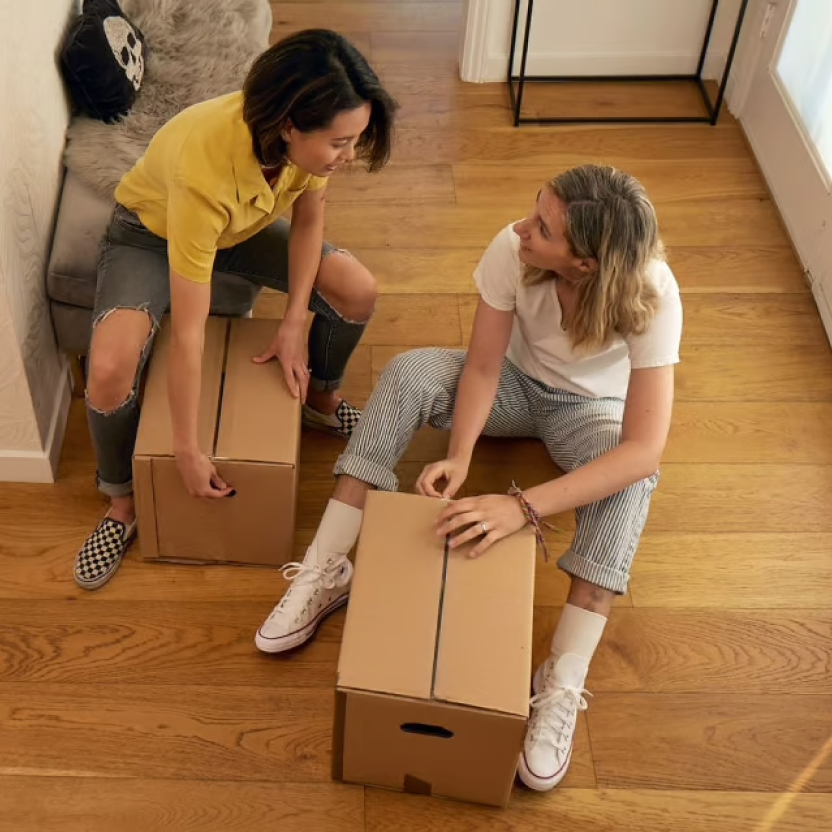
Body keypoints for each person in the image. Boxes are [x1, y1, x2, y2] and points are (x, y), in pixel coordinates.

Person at [255, 164, 683, 793]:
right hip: (512, 383)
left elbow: (643, 449)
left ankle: (561, 676)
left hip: (591, 413)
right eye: (533, 211)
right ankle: (328, 565)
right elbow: (482, 366)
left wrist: (522, 509)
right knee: (408, 373)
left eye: (542, 227)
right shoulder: (514, 249)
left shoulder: (654, 293)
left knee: (631, 484)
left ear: (586, 264)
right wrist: (460, 453)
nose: (520, 228)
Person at [74, 29, 398, 591]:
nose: (350, 156)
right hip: (152, 234)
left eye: (357, 139)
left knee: (356, 288)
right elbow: (191, 333)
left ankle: (321, 400)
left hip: (238, 227)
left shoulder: (304, 146)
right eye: (340, 142)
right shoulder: (204, 172)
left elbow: (308, 219)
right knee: (108, 370)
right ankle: (121, 503)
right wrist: (185, 448)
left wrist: (295, 321)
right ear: (290, 126)